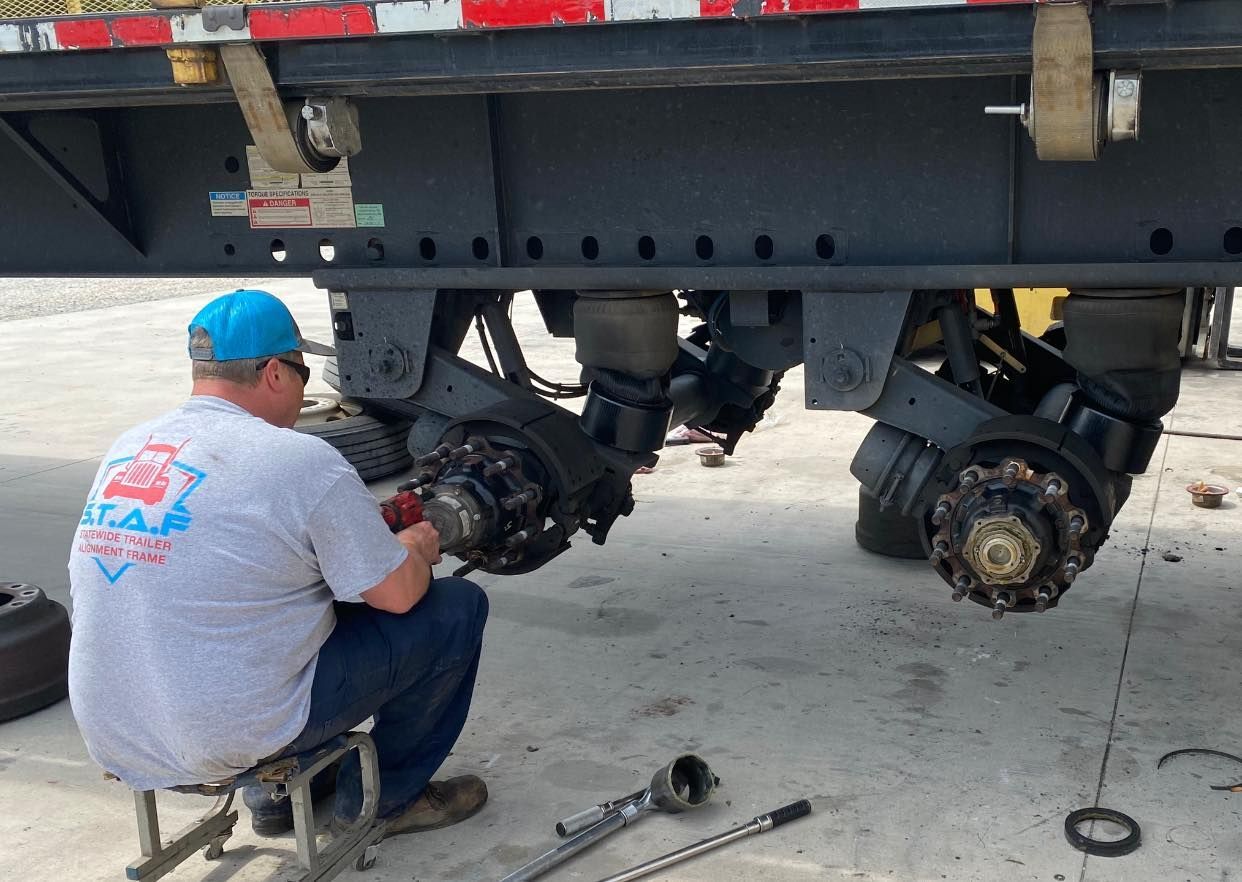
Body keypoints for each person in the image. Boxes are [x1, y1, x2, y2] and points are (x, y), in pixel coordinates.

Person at [67, 289, 490, 837]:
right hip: (228, 733)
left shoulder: (131, 446)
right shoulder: (300, 460)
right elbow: (399, 596)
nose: (303, 388)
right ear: (272, 372)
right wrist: (413, 547)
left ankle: (272, 801)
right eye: (302, 373)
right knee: (454, 609)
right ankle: (385, 803)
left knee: (272, 612)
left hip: (119, 731)